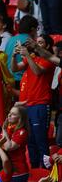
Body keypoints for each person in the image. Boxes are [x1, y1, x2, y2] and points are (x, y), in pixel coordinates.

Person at [11, 36, 55, 168]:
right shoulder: (32, 57)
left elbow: (37, 72)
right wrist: (14, 56)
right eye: (37, 42)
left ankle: (47, 172)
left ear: (47, 47)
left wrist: (27, 56)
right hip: (29, 106)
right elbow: (15, 69)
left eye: (40, 42)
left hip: (41, 104)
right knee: (30, 141)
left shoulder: (48, 60)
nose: (37, 44)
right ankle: (35, 171)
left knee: (41, 140)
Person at [0, 106, 29, 182]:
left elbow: (8, 147)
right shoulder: (9, 129)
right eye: (9, 113)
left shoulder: (22, 132)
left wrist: (3, 130)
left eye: (13, 114)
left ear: (20, 118)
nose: (9, 115)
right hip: (6, 170)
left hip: (18, 172)